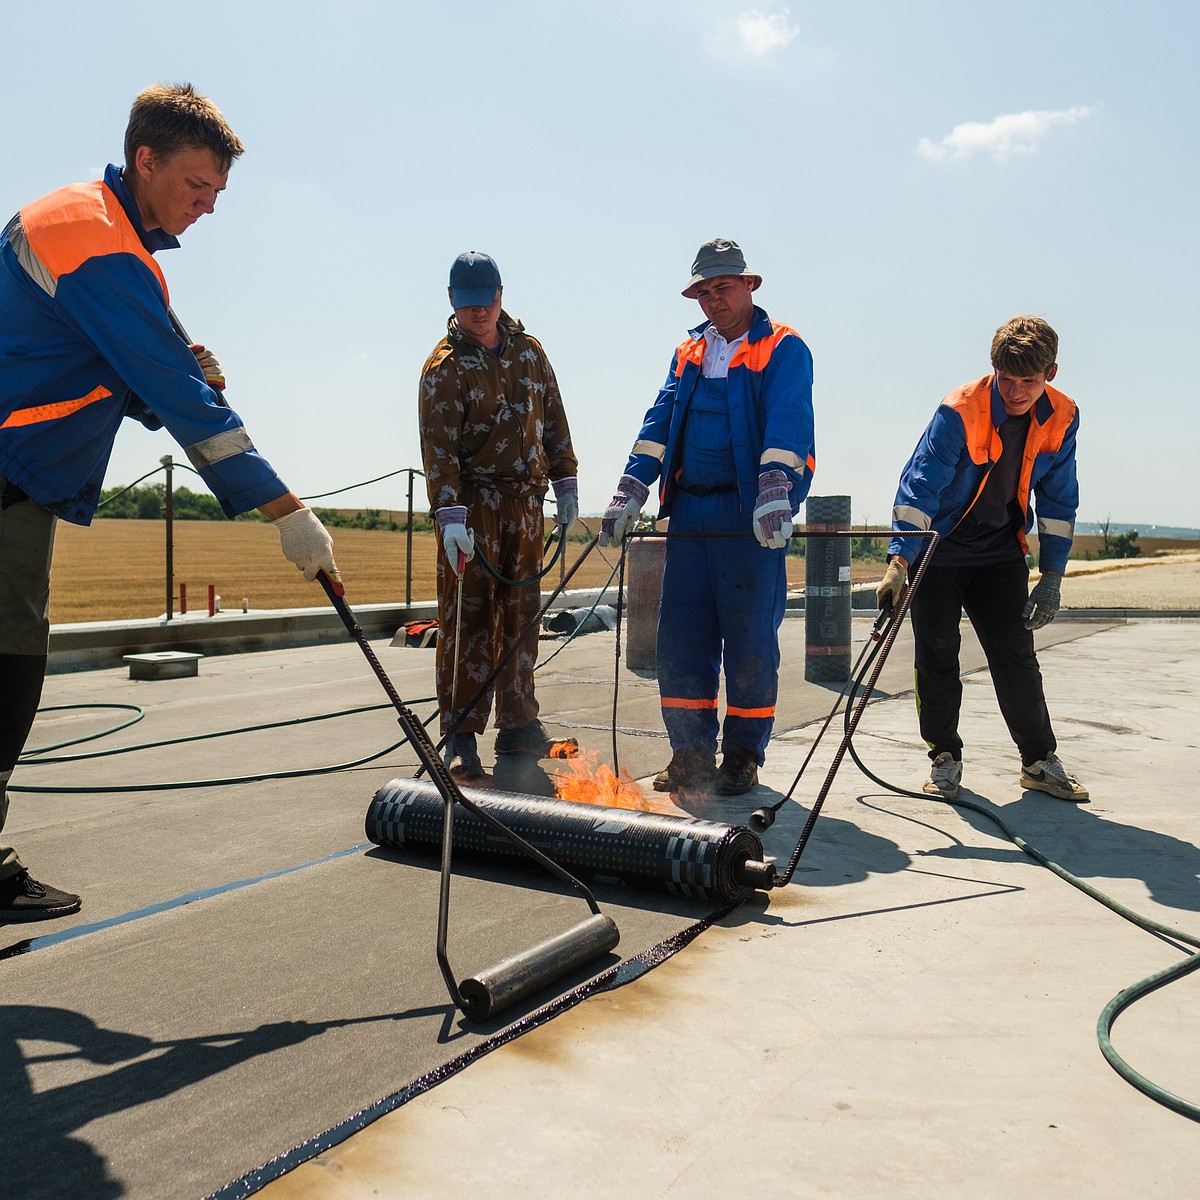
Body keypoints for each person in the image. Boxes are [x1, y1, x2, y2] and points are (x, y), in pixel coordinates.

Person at [0, 83, 340, 921]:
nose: (207, 207)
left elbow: (119, 369)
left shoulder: (101, 233)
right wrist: (286, 511)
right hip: (5, 476)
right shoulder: (97, 240)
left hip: (18, 478)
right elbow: (186, 405)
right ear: (144, 160)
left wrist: (172, 376)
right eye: (195, 186)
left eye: (218, 194)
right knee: (7, 666)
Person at [599, 238, 815, 797]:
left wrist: (775, 490)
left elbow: (788, 421)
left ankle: (742, 755)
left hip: (749, 519)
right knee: (683, 638)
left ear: (749, 285)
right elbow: (661, 420)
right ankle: (690, 752)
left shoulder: (784, 349)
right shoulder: (689, 352)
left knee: (749, 641)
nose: (713, 300)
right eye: (703, 292)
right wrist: (630, 490)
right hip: (692, 514)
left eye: (723, 287)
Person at [876, 314, 1088, 802]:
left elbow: (1059, 500)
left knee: (1016, 657)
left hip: (999, 554)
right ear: (994, 369)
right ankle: (944, 758)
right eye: (1006, 380)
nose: (1015, 392)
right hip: (938, 553)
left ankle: (1038, 760)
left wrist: (1052, 576)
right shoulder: (960, 410)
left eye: (1028, 382)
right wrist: (899, 562)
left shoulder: (1063, 415)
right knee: (936, 656)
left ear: (1050, 374)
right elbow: (919, 490)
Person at [419, 251, 578, 779]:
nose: (477, 314)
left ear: (500, 295)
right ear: (452, 303)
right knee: (469, 619)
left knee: (521, 615)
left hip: (526, 507)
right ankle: (460, 733)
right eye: (467, 306)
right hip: (474, 507)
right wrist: (450, 517)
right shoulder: (444, 367)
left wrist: (567, 481)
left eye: (484, 303)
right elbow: (438, 449)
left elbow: (553, 417)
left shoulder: (530, 354)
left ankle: (518, 725)